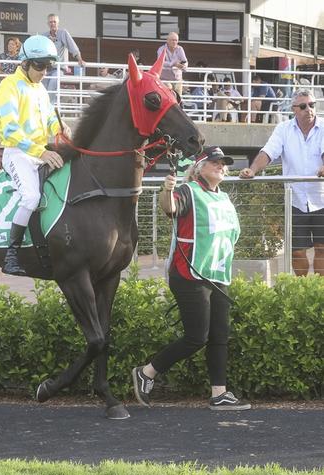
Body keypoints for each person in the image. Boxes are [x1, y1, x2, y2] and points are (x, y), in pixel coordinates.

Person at [132, 146, 250, 411]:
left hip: (218, 275)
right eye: (215, 162)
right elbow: (170, 208)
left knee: (219, 335)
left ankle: (219, 394)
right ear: (199, 167)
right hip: (190, 275)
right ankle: (147, 372)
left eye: (224, 163)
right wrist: (166, 189)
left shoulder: (224, 198)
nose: (221, 166)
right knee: (197, 337)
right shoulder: (188, 191)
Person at [0, 35, 71, 275]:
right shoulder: (8, 86)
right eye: (39, 66)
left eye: (47, 66)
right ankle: (11, 254)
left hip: (39, 153)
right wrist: (42, 152)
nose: (44, 72)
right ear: (25, 63)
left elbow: (49, 120)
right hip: (17, 153)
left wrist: (61, 128)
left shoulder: (40, 90)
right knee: (30, 197)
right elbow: (9, 129)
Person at [240, 89, 324, 276]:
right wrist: (252, 170)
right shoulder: (283, 129)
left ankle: (319, 293)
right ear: (294, 109)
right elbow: (268, 152)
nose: (309, 109)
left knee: (322, 249)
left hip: (322, 199)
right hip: (294, 201)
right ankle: (303, 292)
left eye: (312, 105)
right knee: (297, 252)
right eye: (303, 106)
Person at [43, 13, 85, 101]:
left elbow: (73, 47)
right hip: (46, 69)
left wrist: (80, 59)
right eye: (50, 22)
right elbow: (40, 51)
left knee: (52, 86)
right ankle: (44, 109)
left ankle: (50, 108)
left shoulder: (63, 33)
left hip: (58, 69)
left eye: (54, 22)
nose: (52, 24)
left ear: (58, 23)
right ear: (48, 24)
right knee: (43, 88)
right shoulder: (44, 36)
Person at [156, 32, 187, 96]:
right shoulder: (161, 49)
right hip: (164, 79)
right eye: (173, 40)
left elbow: (185, 61)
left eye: (176, 40)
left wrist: (184, 66)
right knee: (168, 95)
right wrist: (173, 64)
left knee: (178, 99)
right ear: (167, 40)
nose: (174, 42)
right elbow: (160, 62)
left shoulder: (180, 49)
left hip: (177, 79)